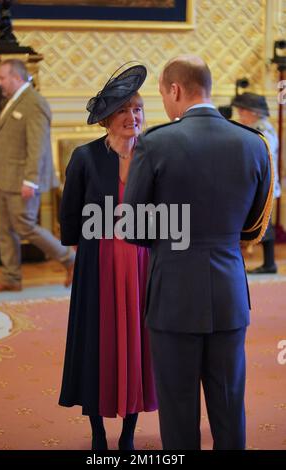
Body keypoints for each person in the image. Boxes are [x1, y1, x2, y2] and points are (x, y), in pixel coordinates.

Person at [124, 55, 273, 450]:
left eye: (163, 95)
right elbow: (255, 224)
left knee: (178, 407)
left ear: (175, 90)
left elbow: (133, 227)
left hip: (173, 293)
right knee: (228, 404)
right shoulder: (252, 143)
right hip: (228, 292)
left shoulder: (156, 143)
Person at [58, 64, 157, 451]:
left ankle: (129, 432)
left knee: (138, 345)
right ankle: (99, 433)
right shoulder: (84, 158)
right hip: (98, 266)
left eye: (137, 109)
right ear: (106, 119)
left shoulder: (154, 153)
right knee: (95, 346)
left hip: (142, 264)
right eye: (123, 110)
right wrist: (80, 262)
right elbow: (70, 215)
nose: (132, 117)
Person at [0, 59, 75, 292]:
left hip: (22, 181)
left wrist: (30, 180)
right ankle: (11, 277)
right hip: (6, 179)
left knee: (25, 226)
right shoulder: (13, 100)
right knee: (5, 229)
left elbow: (38, 146)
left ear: (16, 77)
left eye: (2, 77)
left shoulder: (34, 103)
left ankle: (69, 259)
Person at [232, 92, 281, 274]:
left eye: (242, 111)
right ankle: (268, 263)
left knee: (263, 224)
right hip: (262, 184)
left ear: (252, 112)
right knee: (263, 224)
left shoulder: (262, 130)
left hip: (264, 186)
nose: (240, 115)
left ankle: (269, 264)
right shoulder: (258, 128)